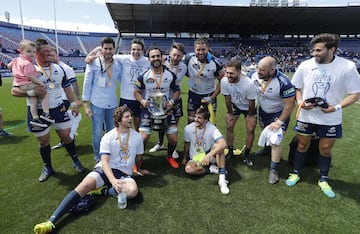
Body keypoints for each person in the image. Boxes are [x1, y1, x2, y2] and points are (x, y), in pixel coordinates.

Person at [33, 106, 150, 234]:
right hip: (105, 170)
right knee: (85, 185)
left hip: (124, 174)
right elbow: (105, 162)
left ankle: (103, 191)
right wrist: (113, 180)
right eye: (127, 117)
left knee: (132, 192)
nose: (131, 119)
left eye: (130, 116)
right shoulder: (108, 137)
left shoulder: (137, 137)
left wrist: (138, 169)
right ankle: (51, 222)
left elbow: (138, 157)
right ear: (119, 120)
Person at [285, 33, 360, 198]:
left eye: (318, 50)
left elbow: (355, 94)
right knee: (302, 145)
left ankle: (323, 179)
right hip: (306, 115)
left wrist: (336, 107)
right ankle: (296, 172)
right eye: (313, 50)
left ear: (331, 49)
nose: (314, 53)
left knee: (325, 149)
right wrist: (300, 103)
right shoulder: (305, 65)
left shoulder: (347, 67)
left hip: (330, 118)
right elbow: (297, 87)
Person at [11, 38, 83, 182]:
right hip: (37, 112)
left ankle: (75, 160)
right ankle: (48, 167)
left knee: (66, 136)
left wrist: (74, 103)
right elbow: (14, 91)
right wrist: (32, 92)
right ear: (36, 53)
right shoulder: (29, 69)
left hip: (58, 108)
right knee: (44, 141)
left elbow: (67, 87)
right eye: (47, 51)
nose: (51, 53)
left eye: (51, 50)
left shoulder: (58, 68)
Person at [85, 38, 150, 132]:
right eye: (133, 49)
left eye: (138, 49)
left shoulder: (147, 61)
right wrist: (91, 55)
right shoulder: (123, 58)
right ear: (130, 50)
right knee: (123, 125)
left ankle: (136, 143)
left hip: (140, 98)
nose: (136, 52)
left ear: (143, 51)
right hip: (126, 98)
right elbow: (107, 53)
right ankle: (124, 143)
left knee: (138, 126)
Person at [134, 46, 180, 168]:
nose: (156, 58)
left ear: (162, 57)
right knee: (142, 138)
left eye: (158, 56)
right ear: (149, 59)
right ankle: (138, 161)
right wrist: (142, 101)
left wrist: (171, 101)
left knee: (173, 138)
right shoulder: (144, 75)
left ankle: (170, 156)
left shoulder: (170, 75)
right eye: (153, 56)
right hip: (148, 110)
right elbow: (136, 92)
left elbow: (177, 91)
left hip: (166, 109)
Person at [255, 56, 295, 184]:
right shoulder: (253, 75)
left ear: (272, 70)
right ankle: (267, 151)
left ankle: (273, 170)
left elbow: (290, 105)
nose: (258, 72)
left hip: (279, 113)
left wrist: (279, 122)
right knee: (265, 133)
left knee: (276, 140)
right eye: (258, 68)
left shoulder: (284, 82)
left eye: (262, 70)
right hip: (263, 111)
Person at [82, 37, 122, 163]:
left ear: (114, 49)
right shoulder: (93, 63)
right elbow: (87, 83)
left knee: (111, 133)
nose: (108, 51)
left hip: (112, 104)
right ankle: (98, 158)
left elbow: (123, 79)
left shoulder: (117, 64)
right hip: (97, 104)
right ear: (101, 49)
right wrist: (86, 105)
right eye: (105, 48)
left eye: (110, 49)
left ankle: (109, 155)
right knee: (97, 133)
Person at [149, 42, 187, 159]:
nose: (176, 58)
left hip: (176, 100)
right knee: (161, 122)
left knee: (174, 124)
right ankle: (160, 144)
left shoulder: (184, 67)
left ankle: (173, 149)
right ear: (170, 53)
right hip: (161, 99)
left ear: (182, 56)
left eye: (179, 56)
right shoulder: (162, 62)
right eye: (174, 55)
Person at [181, 108, 229, 195]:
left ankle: (222, 180)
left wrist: (208, 156)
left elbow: (223, 144)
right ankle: (211, 169)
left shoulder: (212, 128)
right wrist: (185, 158)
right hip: (196, 158)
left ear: (206, 120)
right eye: (195, 117)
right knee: (189, 170)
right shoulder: (188, 128)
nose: (196, 119)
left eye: (199, 118)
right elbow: (186, 143)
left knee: (219, 146)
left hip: (210, 156)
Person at [8, 39, 54, 128]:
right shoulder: (27, 63)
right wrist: (40, 83)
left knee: (33, 101)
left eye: (33, 52)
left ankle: (35, 118)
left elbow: (9, 66)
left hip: (19, 84)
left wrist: (17, 71)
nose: (32, 54)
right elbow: (30, 76)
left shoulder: (16, 60)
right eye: (28, 51)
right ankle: (46, 113)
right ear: (20, 51)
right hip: (27, 83)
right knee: (44, 93)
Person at [220, 59, 258, 166]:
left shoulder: (249, 84)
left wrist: (250, 116)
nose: (228, 75)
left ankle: (247, 155)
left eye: (231, 73)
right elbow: (227, 98)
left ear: (239, 72)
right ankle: (230, 151)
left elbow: (251, 101)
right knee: (229, 125)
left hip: (249, 107)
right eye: (227, 72)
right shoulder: (224, 81)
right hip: (235, 105)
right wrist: (230, 113)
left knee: (250, 129)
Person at [184, 37, 225, 123]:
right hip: (193, 94)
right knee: (191, 121)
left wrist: (212, 97)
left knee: (209, 122)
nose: (201, 52)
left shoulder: (216, 63)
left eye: (203, 49)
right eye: (198, 50)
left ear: (208, 49)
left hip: (209, 95)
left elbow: (222, 82)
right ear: (194, 49)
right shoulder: (188, 58)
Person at [50, 48, 82, 149]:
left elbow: (74, 84)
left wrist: (77, 99)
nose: (51, 58)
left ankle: (69, 139)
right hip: (55, 98)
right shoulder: (49, 68)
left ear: (57, 56)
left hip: (65, 98)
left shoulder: (66, 68)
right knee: (58, 121)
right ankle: (65, 140)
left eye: (53, 55)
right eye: (49, 55)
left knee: (62, 120)